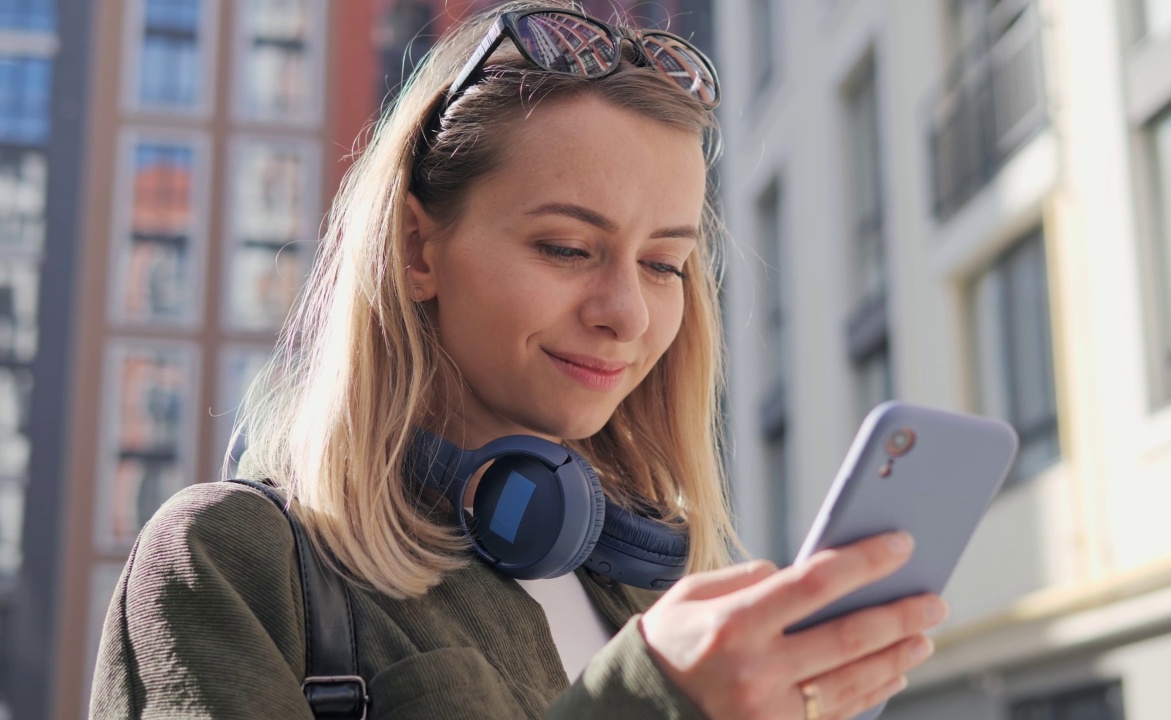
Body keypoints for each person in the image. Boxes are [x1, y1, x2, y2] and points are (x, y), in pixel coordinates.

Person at [89, 2, 948, 718]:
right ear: (419, 250)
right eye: (568, 248)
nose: (626, 313)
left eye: (662, 264)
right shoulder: (230, 560)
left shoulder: (663, 602)